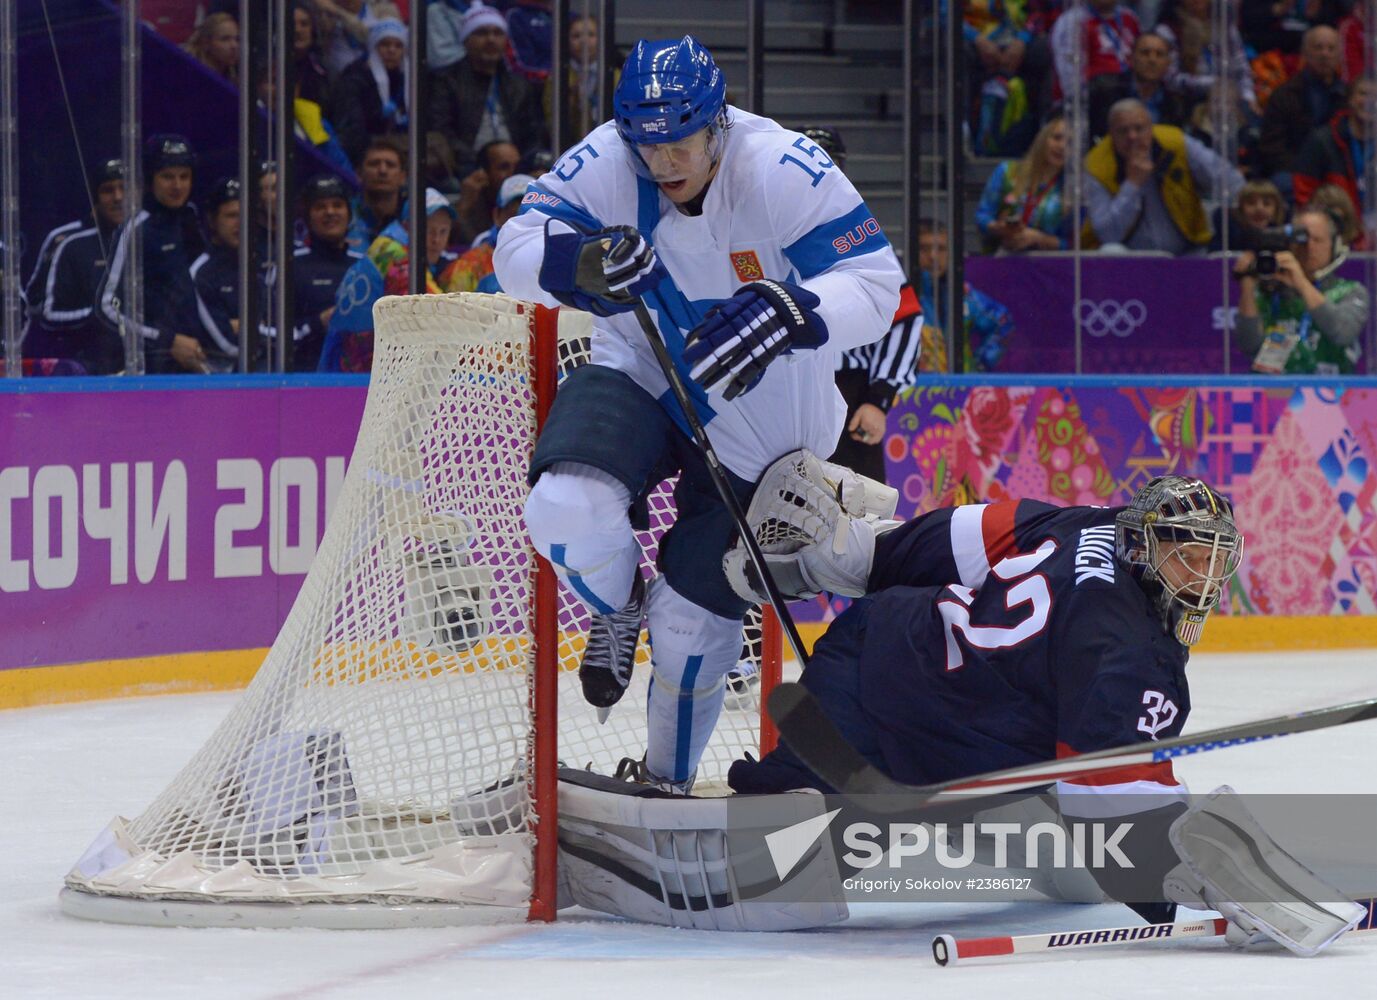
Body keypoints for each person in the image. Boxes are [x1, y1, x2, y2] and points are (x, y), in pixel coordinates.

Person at [493, 36, 904, 793]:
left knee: (689, 632)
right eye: (645, 145)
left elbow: (877, 285)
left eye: (678, 142)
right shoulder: (608, 157)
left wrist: (793, 309)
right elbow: (514, 245)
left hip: (767, 422)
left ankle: (662, 783)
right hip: (642, 367)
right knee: (562, 506)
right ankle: (616, 607)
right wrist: (570, 265)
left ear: (717, 124)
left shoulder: (782, 167)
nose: (661, 163)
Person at [795, 126, 924, 484]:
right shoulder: (763, 229)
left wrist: (878, 398)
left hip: (851, 392)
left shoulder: (860, 236)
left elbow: (905, 318)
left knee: (861, 510)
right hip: (787, 389)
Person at [319, 188, 464, 372]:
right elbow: (443, 312)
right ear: (407, 226)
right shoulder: (398, 258)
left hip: (347, 361)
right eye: (428, 230)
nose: (436, 240)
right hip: (359, 371)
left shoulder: (386, 244)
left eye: (443, 232)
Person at [98, 134, 208, 374]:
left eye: (184, 176)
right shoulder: (136, 230)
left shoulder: (191, 222)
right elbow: (106, 307)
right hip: (151, 370)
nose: (177, 186)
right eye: (167, 176)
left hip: (198, 364)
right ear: (150, 179)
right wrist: (167, 341)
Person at [1084, 98, 1243, 254]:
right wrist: (1132, 184)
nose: (1132, 137)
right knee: (1111, 251)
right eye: (1123, 131)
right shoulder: (1097, 165)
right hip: (1132, 261)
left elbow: (1231, 181)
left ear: (1151, 128)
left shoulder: (1176, 143)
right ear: (1111, 133)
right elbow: (1108, 235)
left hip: (1188, 252)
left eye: (1139, 128)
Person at [1234, 206, 1371, 374]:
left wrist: (1301, 282)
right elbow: (1248, 345)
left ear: (1333, 246)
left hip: (1329, 395)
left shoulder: (1351, 291)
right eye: (1302, 240)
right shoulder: (1268, 291)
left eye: (1317, 240)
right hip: (1274, 393)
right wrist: (1247, 287)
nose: (1309, 247)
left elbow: (1342, 333)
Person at [25, 158, 126, 374]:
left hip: (140, 367)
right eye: (108, 190)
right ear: (94, 196)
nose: (118, 197)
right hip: (83, 365)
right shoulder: (67, 240)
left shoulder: (146, 238)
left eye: (124, 188)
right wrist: (103, 316)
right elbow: (37, 307)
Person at [428, 3, 548, 175]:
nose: (491, 39)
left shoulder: (520, 85)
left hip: (515, 165)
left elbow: (534, 134)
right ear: (466, 40)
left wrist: (527, 162)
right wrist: (479, 161)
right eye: (482, 33)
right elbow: (441, 133)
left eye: (497, 33)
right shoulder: (445, 81)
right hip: (466, 167)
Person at [915, 219, 1013, 372]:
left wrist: (979, 366)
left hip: (958, 387)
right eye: (923, 248)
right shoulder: (899, 295)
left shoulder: (964, 294)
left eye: (941, 249)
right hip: (911, 389)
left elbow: (1003, 322)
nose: (933, 256)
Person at [189, 178, 263, 373]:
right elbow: (226, 345)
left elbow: (287, 328)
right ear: (212, 221)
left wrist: (248, 327)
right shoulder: (201, 273)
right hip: (223, 384)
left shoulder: (265, 263)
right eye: (231, 215)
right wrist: (261, 330)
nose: (240, 223)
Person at [1256, 25, 1347, 186]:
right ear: (1304, 53)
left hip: (1337, 175)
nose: (1325, 54)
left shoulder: (1348, 98)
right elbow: (1272, 148)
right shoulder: (1284, 95)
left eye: (1331, 48)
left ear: (1339, 55)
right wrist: (1303, 172)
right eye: (1318, 47)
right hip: (1293, 172)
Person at [292, 174, 362, 371]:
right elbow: (267, 334)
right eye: (320, 207)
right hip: (303, 379)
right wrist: (317, 323)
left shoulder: (364, 266)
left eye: (337, 205)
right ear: (307, 216)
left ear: (349, 213)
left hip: (357, 380)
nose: (330, 212)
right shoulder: (290, 265)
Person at [976, 115, 1071, 253]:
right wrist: (999, 228)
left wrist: (1039, 238)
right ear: (1042, 139)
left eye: (1070, 143)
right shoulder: (1007, 172)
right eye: (1057, 138)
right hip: (1001, 259)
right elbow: (981, 216)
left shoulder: (1072, 189)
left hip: (1047, 267)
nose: (1062, 146)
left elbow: (1074, 244)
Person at [330, 18, 410, 167]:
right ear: (374, 47)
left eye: (398, 46)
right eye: (385, 44)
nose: (391, 50)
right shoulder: (354, 77)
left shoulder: (410, 79)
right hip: (367, 154)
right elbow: (351, 129)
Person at [1292, 77, 1375, 214]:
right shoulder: (1322, 141)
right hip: (1337, 229)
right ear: (1350, 99)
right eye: (1363, 94)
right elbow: (1304, 194)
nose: (1370, 101)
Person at [1088, 32, 1194, 138]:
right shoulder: (1104, 91)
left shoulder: (1176, 104)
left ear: (1168, 63)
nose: (1152, 60)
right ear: (1131, 58)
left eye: (1159, 54)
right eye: (1145, 53)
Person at [447, 173, 533, 294]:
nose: (521, 225)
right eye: (513, 216)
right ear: (496, 215)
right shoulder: (470, 265)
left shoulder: (554, 261)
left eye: (529, 216)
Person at [1050, 0, 1141, 101]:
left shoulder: (1130, 17)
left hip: (1129, 91)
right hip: (1093, 97)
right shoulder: (1072, 21)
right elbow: (1069, 73)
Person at [453, 140, 522, 246]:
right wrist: (464, 205)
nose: (513, 173)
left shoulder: (533, 196)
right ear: (483, 173)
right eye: (504, 167)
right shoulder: (474, 204)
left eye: (517, 166)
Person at [347, 136, 406, 252]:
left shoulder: (414, 219)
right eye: (374, 164)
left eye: (390, 165)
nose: (382, 171)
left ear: (402, 177)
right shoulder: (342, 216)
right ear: (359, 174)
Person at [184, 12, 240, 82]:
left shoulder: (236, 78)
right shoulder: (191, 77)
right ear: (206, 43)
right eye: (225, 39)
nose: (234, 46)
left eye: (237, 39)